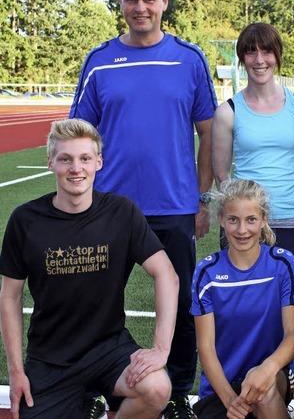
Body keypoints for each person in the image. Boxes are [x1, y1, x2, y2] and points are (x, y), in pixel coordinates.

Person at [69, 0, 217, 416]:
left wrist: (202, 197)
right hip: (109, 206)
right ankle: (90, 389)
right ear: (121, 3)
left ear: (164, 2)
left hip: (173, 205)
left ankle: (178, 393)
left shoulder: (189, 59)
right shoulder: (99, 60)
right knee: (92, 300)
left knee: (183, 301)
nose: (140, 7)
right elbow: (80, 130)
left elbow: (207, 131)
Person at [0, 119, 179, 418]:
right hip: (50, 360)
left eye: (85, 158)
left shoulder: (121, 212)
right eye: (65, 159)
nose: (76, 168)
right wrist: (16, 371)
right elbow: (9, 297)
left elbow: (167, 275)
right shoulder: (25, 220)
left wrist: (160, 349)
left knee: (157, 387)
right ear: (50, 162)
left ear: (99, 162)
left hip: (108, 349)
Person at [213, 22, 294, 290]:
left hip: (290, 219)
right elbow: (222, 175)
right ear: (242, 58)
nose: (259, 60)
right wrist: (243, 213)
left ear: (277, 55)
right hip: (244, 227)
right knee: (242, 304)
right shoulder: (227, 111)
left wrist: (282, 201)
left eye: (267, 52)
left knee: (289, 304)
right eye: (251, 52)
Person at [190, 179, 294, 418]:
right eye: (233, 220)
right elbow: (206, 347)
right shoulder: (207, 273)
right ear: (222, 220)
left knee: (262, 390)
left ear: (263, 219)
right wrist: (231, 401)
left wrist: (268, 368)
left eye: (251, 220)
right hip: (221, 386)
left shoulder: (282, 265)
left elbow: (293, 335)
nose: (242, 230)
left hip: (273, 376)